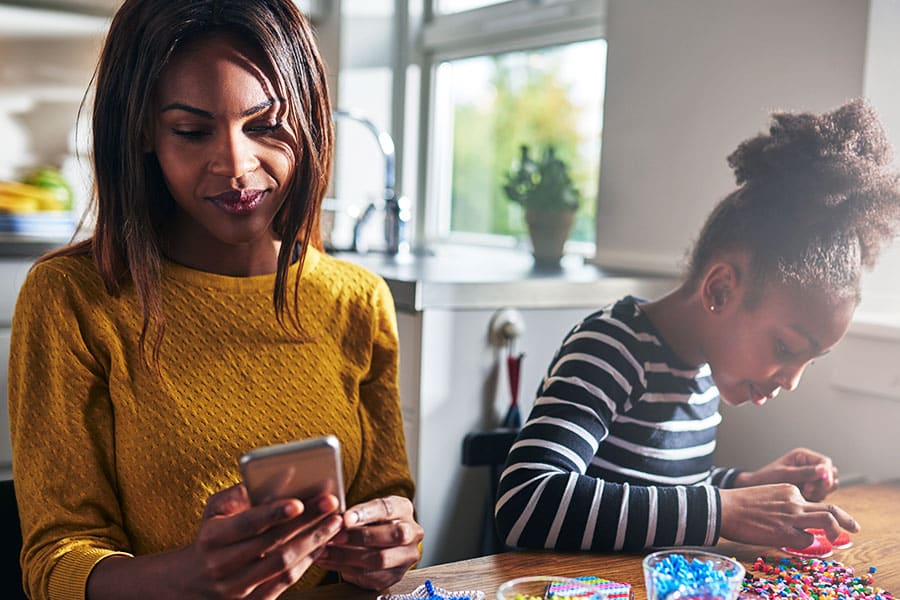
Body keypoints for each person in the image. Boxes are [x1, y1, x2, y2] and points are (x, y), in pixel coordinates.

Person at [7, 1, 423, 599]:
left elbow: (391, 500)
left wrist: (390, 542)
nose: (235, 164)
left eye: (264, 125)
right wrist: (192, 577)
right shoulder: (72, 300)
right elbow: (54, 563)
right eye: (192, 131)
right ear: (144, 131)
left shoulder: (359, 301)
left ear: (307, 122)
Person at [495, 99, 900, 553]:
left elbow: (663, 488)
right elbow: (525, 504)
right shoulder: (611, 348)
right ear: (721, 291)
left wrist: (745, 485)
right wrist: (726, 510)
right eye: (786, 348)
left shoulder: (705, 374)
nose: (792, 380)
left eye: (810, 361)